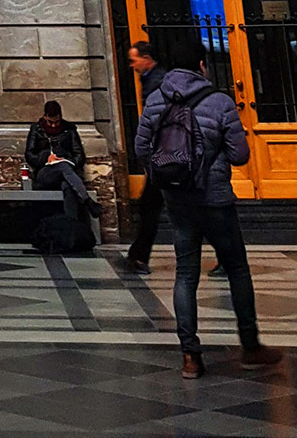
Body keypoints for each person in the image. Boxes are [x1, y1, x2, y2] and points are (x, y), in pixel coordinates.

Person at [134, 34, 283, 379]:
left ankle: (190, 356)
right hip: (215, 198)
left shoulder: (157, 98)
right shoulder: (219, 102)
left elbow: (142, 148)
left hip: (178, 200)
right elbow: (240, 155)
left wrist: (169, 172)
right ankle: (250, 346)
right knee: (236, 268)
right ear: (202, 65)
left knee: (186, 274)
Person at [121, 40, 164, 274]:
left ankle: (138, 255)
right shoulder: (150, 79)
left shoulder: (157, 82)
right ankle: (137, 255)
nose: (132, 65)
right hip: (161, 157)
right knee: (149, 206)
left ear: (146, 59)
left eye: (134, 59)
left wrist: (148, 156)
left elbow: (154, 120)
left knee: (151, 206)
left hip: (164, 158)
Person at [23, 100, 86, 188]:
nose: (53, 126)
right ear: (45, 117)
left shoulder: (69, 129)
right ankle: (86, 200)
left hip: (67, 171)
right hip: (45, 170)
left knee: (66, 185)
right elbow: (30, 155)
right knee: (63, 169)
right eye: (50, 122)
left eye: (56, 122)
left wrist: (64, 159)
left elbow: (79, 155)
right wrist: (46, 158)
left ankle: (84, 200)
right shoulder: (36, 129)